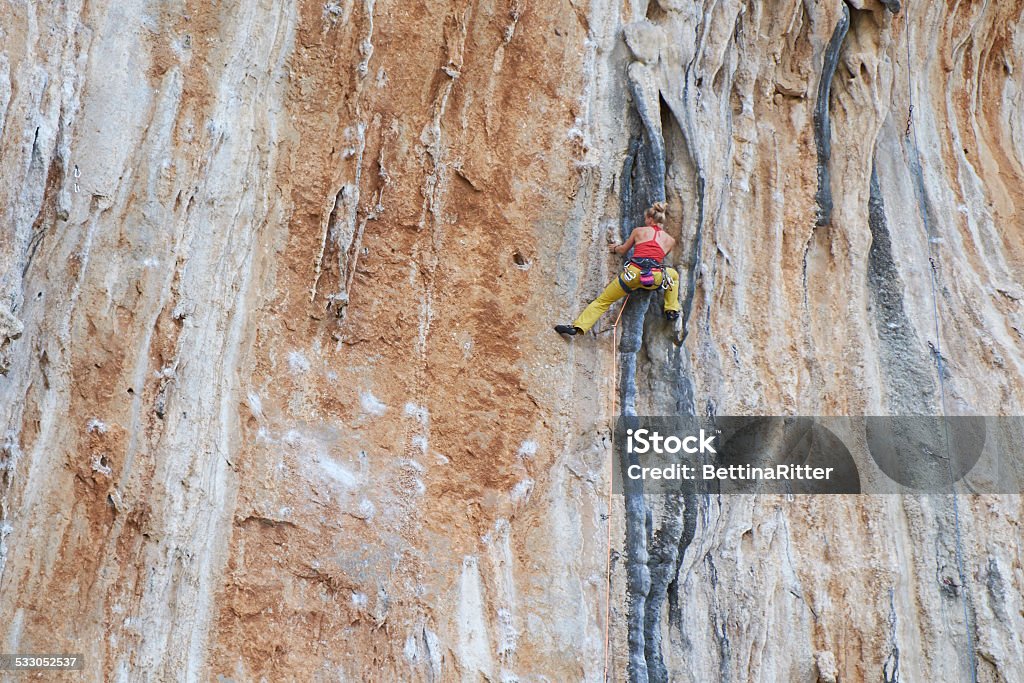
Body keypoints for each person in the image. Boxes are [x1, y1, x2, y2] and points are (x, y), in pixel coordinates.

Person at [555, 202, 681, 337]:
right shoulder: (670, 241)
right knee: (673, 275)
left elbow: (623, 250)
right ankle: (671, 309)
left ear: (650, 219)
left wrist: (614, 248)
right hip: (654, 277)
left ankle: (577, 327)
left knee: (603, 301)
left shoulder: (638, 231)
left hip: (632, 275)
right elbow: (658, 258)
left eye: (646, 218)